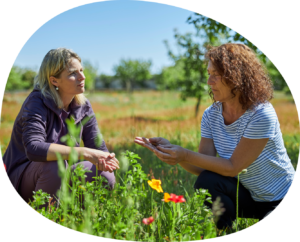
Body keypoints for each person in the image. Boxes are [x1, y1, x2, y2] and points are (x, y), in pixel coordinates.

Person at [135, 43, 296, 230]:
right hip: (245, 196)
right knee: (206, 181)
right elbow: (203, 165)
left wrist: (184, 154)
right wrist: (172, 153)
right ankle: (225, 230)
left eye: (216, 75)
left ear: (237, 77)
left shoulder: (261, 113)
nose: (209, 82)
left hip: (278, 197)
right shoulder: (211, 115)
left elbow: (232, 167)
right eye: (209, 74)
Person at [2, 48, 120, 208]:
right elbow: (34, 148)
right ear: (54, 81)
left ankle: (76, 217)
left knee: (104, 172)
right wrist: (83, 152)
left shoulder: (83, 106)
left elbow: (98, 148)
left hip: (62, 173)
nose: (82, 77)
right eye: (73, 73)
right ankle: (47, 214)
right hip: (23, 177)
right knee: (54, 164)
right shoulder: (37, 101)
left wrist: (106, 159)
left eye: (81, 70)